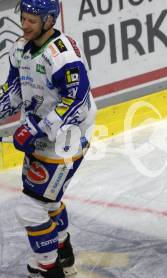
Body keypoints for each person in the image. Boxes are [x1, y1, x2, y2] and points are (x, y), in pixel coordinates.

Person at [0, 0, 96, 277]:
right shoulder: (21, 48)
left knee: (30, 209)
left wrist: (36, 128)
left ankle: (49, 269)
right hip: (41, 134)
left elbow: (76, 100)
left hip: (68, 138)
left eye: (32, 20)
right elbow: (15, 89)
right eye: (24, 19)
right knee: (47, 203)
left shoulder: (62, 55)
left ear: (49, 20)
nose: (25, 25)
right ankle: (63, 252)